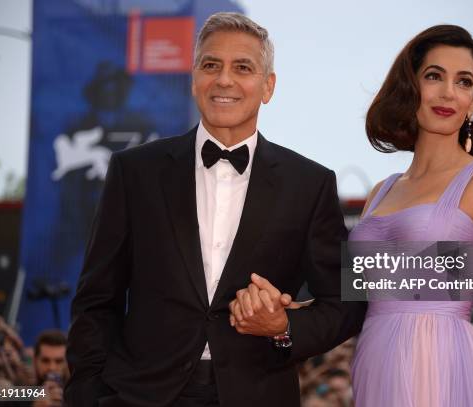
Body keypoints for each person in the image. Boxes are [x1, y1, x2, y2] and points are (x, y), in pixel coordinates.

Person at [65, 12, 366, 407]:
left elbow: (345, 301)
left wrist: (283, 325)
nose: (224, 79)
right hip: (139, 395)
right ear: (194, 79)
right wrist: (88, 395)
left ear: (267, 86)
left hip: (258, 394)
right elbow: (95, 299)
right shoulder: (134, 171)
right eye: (211, 65)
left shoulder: (310, 184)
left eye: (243, 67)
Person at [347, 25, 473, 406]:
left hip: (444, 363)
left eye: (464, 82)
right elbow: (355, 300)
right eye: (434, 76)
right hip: (375, 363)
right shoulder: (380, 192)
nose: (447, 93)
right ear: (411, 86)